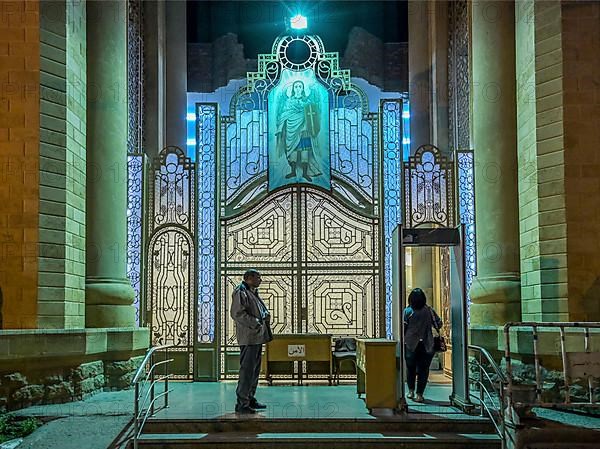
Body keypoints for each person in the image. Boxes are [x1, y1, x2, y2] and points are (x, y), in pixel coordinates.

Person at [230, 269, 273, 414]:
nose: (260, 280)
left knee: (254, 371)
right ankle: (242, 403)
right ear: (249, 278)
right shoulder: (240, 292)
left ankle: (249, 397)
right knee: (247, 371)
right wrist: (255, 322)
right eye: (258, 277)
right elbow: (237, 313)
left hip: (256, 338)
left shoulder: (251, 292)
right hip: (249, 337)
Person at [275, 79, 322, 182]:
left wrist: (307, 124)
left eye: (300, 86)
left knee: (305, 151)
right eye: (296, 86)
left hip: (304, 129)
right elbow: (284, 114)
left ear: (303, 89)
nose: (298, 89)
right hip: (291, 129)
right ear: (293, 89)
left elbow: (312, 114)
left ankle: (305, 173)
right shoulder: (288, 101)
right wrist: (280, 126)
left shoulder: (307, 101)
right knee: (293, 151)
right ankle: (293, 171)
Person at [403, 288, 442, 403]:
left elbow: (403, 328)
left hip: (410, 343)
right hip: (427, 343)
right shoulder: (429, 310)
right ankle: (420, 394)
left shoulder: (407, 311)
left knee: (410, 368)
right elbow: (438, 324)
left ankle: (410, 391)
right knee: (423, 370)